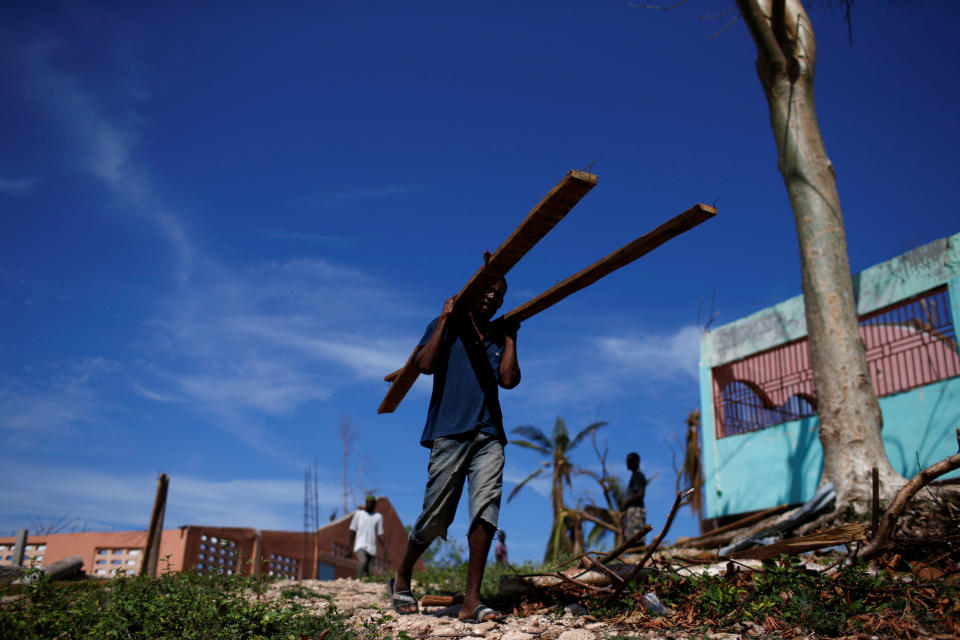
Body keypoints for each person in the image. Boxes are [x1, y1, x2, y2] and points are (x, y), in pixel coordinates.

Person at [388, 276, 520, 624]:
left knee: (486, 507)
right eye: (489, 289)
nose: (493, 296)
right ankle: (402, 576)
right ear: (474, 291)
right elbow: (426, 364)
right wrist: (445, 318)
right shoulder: (447, 325)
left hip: (489, 432)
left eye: (500, 294)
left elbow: (508, 380)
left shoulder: (496, 336)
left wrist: (511, 339)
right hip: (450, 432)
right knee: (436, 514)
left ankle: (471, 600)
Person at [348, 495, 387, 578]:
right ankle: (359, 580)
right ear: (365, 503)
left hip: (371, 547)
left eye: (371, 503)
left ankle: (365, 583)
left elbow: (380, 533)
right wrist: (350, 547)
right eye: (367, 502)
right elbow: (352, 531)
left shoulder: (378, 517)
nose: (369, 504)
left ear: (374, 504)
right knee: (363, 561)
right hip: (360, 545)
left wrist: (384, 548)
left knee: (369, 569)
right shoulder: (359, 514)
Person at [620, 452, 647, 544]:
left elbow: (640, 494)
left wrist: (625, 503)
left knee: (636, 537)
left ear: (636, 462)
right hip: (633, 510)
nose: (627, 463)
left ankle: (638, 554)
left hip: (636, 510)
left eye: (630, 461)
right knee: (631, 536)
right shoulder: (634, 475)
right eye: (627, 461)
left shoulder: (638, 475)